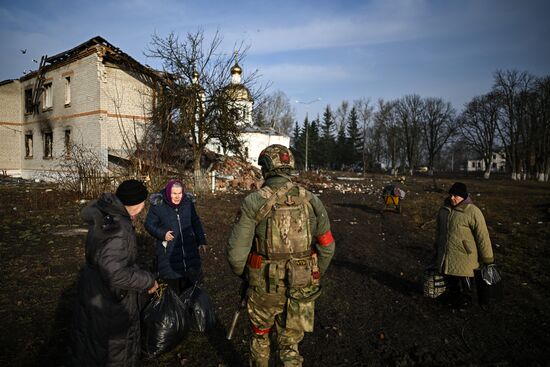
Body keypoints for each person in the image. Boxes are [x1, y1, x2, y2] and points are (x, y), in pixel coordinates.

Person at [226, 144, 335, 367]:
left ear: (265, 169)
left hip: (264, 287)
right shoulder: (313, 201)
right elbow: (327, 247)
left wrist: (247, 276)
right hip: (301, 286)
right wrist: (312, 274)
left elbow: (236, 255)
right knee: (291, 344)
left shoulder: (253, 202)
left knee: (260, 336)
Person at [72, 179, 159, 366]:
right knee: (117, 352)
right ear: (137, 205)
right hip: (110, 302)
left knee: (95, 349)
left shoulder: (106, 216)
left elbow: (108, 260)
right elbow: (115, 273)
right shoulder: (119, 229)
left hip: (95, 292)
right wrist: (148, 280)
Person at [433, 182, 495, 310]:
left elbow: (482, 236)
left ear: (463, 196)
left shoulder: (473, 211)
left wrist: (488, 259)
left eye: (456, 196)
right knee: (451, 281)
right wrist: (437, 247)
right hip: (447, 254)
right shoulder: (444, 210)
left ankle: (465, 303)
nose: (452, 198)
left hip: (466, 257)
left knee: (465, 284)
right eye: (451, 195)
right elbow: (439, 231)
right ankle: (455, 301)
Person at [145, 179, 207, 295]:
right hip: (168, 253)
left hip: (189, 251)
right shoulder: (159, 205)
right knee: (172, 292)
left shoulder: (188, 203)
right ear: (169, 193)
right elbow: (149, 224)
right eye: (174, 193)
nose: (177, 197)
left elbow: (195, 221)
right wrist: (162, 234)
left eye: (180, 193)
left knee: (190, 289)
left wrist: (201, 240)